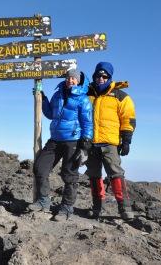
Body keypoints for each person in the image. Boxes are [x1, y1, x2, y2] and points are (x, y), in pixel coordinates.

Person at [28, 69, 93, 221]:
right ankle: (43, 201)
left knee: (69, 175)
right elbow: (51, 114)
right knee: (40, 167)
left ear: (78, 81)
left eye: (74, 78)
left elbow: (88, 123)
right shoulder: (58, 94)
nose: (70, 80)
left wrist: (86, 143)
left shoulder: (83, 99)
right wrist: (43, 99)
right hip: (55, 139)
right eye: (69, 77)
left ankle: (66, 208)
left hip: (73, 140)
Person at [86, 62, 136, 220]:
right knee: (94, 175)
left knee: (116, 174)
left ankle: (125, 209)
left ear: (109, 77)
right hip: (90, 142)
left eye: (104, 76)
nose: (100, 78)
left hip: (110, 143)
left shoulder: (121, 96)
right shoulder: (87, 94)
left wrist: (126, 140)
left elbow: (128, 118)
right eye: (98, 75)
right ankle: (97, 207)